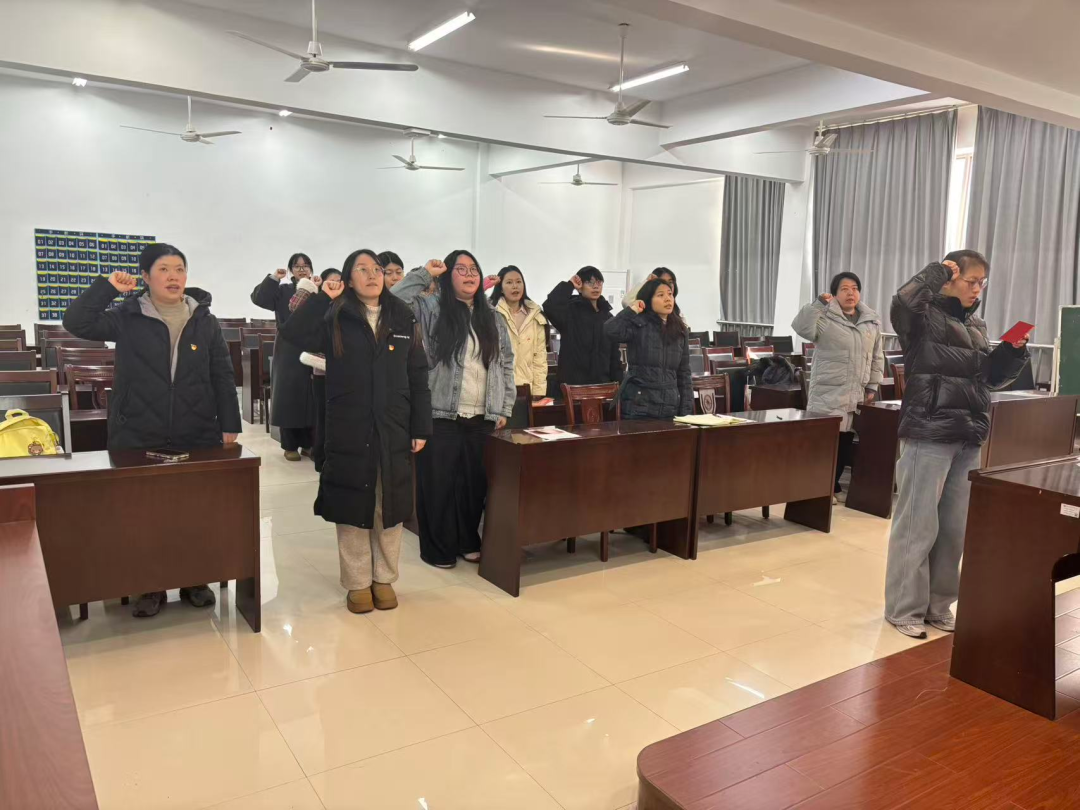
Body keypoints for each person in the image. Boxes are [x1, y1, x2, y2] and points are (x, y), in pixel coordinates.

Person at [63, 243, 241, 618]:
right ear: (145, 277)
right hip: (138, 429)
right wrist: (108, 287)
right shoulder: (128, 315)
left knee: (193, 509)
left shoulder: (204, 319)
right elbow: (77, 322)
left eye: (179, 269)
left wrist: (230, 424)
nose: (173, 277)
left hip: (196, 429)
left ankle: (194, 580)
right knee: (143, 513)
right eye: (163, 269)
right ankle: (150, 584)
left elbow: (222, 374)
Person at [884, 251, 1029, 639]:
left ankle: (938, 606)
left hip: (968, 433)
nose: (978, 288)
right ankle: (904, 608)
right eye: (971, 280)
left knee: (952, 529)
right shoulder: (923, 317)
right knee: (917, 525)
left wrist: (1012, 353)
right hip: (929, 430)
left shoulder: (976, 324)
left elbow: (989, 378)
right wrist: (934, 272)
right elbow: (902, 303)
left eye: (982, 282)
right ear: (949, 278)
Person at [280, 250, 431, 613]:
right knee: (352, 502)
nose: (372, 274)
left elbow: (417, 374)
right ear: (348, 279)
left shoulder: (402, 315)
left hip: (393, 422)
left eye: (376, 269)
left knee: (389, 503)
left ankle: (384, 578)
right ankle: (358, 582)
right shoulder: (336, 314)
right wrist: (322, 298)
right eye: (362, 269)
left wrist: (420, 425)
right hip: (349, 422)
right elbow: (293, 334)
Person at [392, 250, 515, 568]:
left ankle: (466, 540)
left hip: (483, 415)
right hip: (441, 412)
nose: (469, 274)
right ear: (448, 277)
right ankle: (437, 548)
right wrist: (424, 274)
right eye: (461, 269)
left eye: (474, 269)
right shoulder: (431, 308)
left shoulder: (493, 318)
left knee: (474, 485)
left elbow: (505, 364)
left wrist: (503, 407)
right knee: (438, 484)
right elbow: (394, 301)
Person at [792, 271, 884, 503]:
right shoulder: (824, 316)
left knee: (844, 442)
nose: (850, 293)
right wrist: (817, 304)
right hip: (828, 391)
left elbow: (877, 356)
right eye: (844, 289)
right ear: (834, 294)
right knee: (824, 442)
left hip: (856, 392)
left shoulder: (870, 321)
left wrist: (872, 385)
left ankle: (832, 485)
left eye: (854, 288)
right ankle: (821, 487)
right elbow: (801, 328)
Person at [251, 253, 316, 460]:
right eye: (297, 266)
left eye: (306, 266)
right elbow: (259, 299)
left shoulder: (316, 289)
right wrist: (273, 278)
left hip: (313, 346)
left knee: (311, 396)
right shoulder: (283, 290)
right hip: (288, 348)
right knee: (289, 396)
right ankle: (290, 445)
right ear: (290, 270)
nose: (302, 269)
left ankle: (309, 443)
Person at [604, 278, 692, 419]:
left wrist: (686, 413)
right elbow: (610, 330)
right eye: (660, 295)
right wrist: (631, 311)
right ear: (648, 300)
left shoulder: (680, 331)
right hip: (639, 403)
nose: (667, 299)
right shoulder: (639, 324)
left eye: (670, 294)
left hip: (670, 405)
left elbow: (684, 374)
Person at [543, 266, 622, 397]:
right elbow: (549, 306)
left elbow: (614, 358)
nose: (595, 286)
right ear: (580, 287)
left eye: (599, 282)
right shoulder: (569, 312)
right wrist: (569, 285)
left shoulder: (608, 318)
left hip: (602, 387)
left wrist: (618, 389)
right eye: (589, 282)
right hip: (573, 388)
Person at [292, 268, 340, 472]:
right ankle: (320, 459)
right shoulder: (320, 304)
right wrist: (311, 285)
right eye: (331, 281)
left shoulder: (346, 304)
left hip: (344, 372)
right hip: (322, 370)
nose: (336, 284)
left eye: (339, 280)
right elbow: (295, 307)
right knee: (323, 417)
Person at [490, 265, 548, 426]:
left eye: (518, 282)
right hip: (497, 390)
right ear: (500, 288)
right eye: (509, 282)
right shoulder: (491, 313)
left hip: (525, 390)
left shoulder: (535, 315)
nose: (515, 286)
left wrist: (538, 392)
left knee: (523, 437)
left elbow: (539, 358)